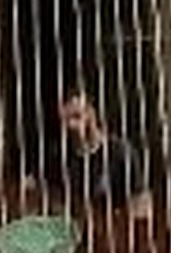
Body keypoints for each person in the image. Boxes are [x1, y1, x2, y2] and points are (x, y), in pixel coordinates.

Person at [50, 88, 155, 224]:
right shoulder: (59, 158)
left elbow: (143, 205)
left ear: (91, 113)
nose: (71, 126)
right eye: (65, 122)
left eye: (77, 117)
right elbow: (56, 204)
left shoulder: (120, 152)